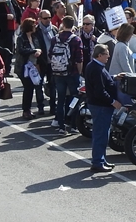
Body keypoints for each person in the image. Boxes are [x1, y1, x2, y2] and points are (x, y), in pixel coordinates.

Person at [86, 44, 122, 173]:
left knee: (102, 134)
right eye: (106, 53)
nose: (109, 56)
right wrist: (113, 102)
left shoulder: (96, 66)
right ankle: (97, 162)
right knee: (101, 135)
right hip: (100, 106)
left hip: (99, 105)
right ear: (99, 55)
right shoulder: (96, 69)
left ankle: (101, 159)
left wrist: (114, 78)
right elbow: (99, 91)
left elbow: (104, 81)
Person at [50, 16, 83, 134]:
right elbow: (79, 59)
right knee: (75, 98)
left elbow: (50, 54)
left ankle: (61, 126)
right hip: (72, 72)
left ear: (63, 24)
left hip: (58, 72)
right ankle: (73, 125)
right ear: (73, 25)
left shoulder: (55, 38)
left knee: (61, 99)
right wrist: (79, 72)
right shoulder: (76, 40)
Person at [16, 17, 48, 119]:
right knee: (28, 88)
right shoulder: (21, 38)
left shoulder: (34, 37)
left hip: (34, 66)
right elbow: (21, 50)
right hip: (24, 67)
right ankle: (26, 110)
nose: (35, 27)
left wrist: (39, 55)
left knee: (31, 88)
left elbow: (39, 48)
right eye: (33, 25)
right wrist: (34, 51)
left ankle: (28, 110)